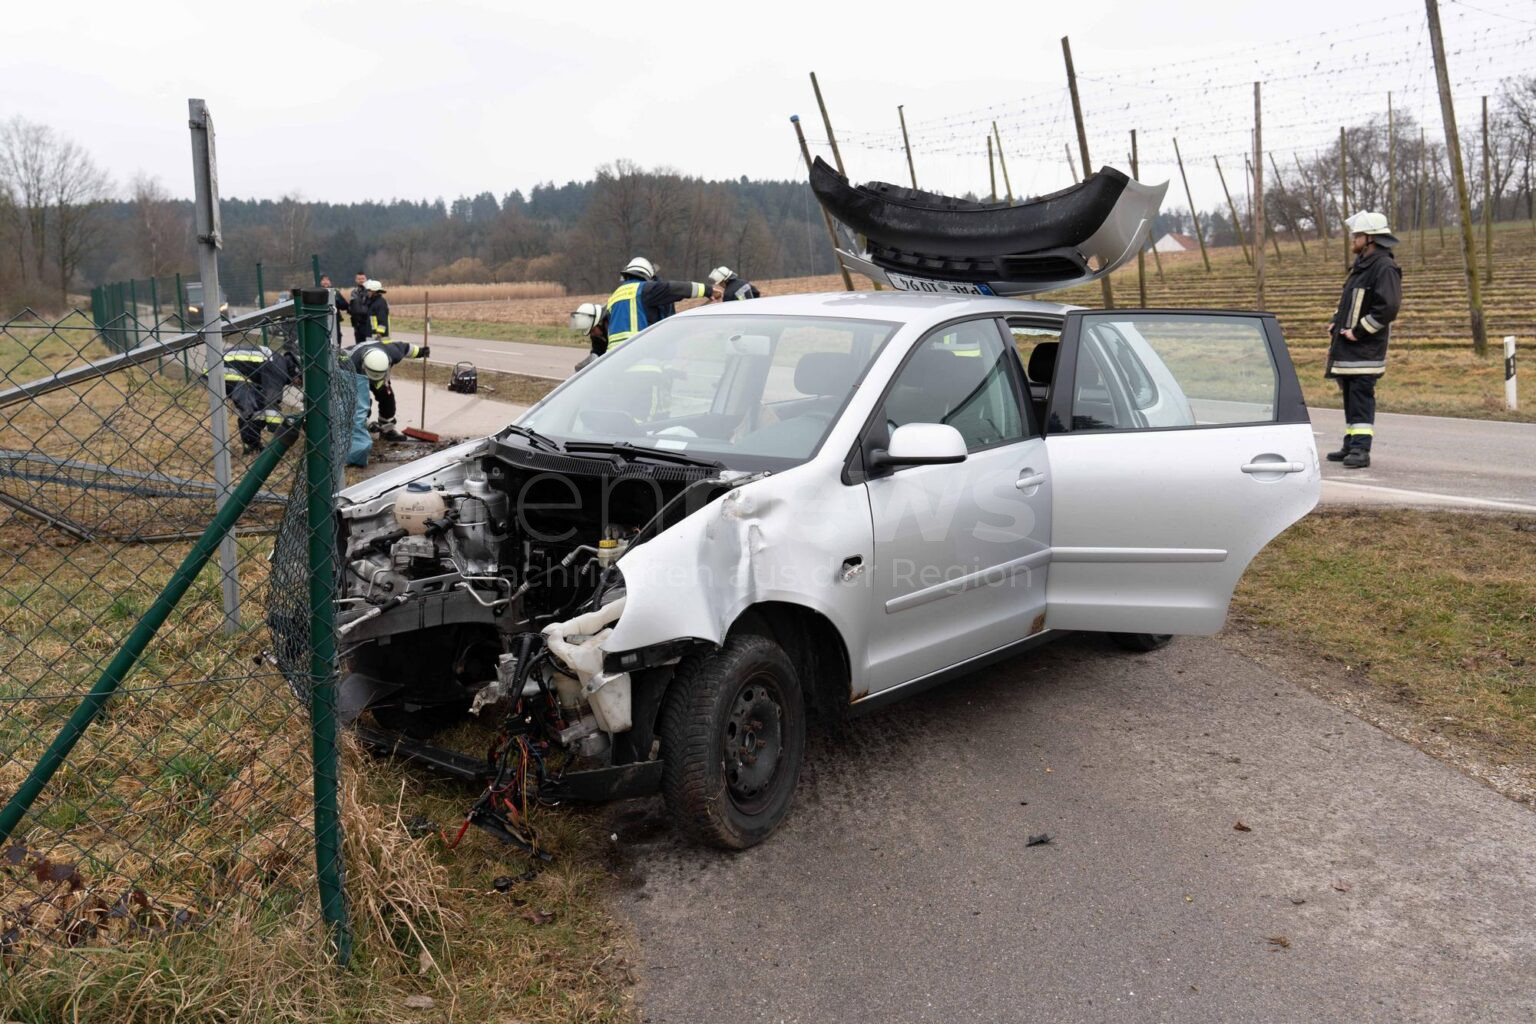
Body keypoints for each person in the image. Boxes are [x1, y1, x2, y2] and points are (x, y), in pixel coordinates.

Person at [1325, 211, 1402, 470]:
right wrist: (1338, 320)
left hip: (1364, 349)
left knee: (1361, 398)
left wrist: (1359, 331)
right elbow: (1351, 302)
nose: (1353, 239)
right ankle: (1351, 442)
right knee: (1350, 397)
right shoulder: (1362, 266)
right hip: (1349, 348)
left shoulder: (1384, 267)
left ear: (1369, 238)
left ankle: (1361, 450)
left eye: (1357, 235)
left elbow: (1388, 307)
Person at [596, 256, 708, 354]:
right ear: (647, 276)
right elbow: (675, 289)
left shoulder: (614, 296)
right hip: (638, 354)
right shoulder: (645, 289)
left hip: (613, 357)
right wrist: (708, 290)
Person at [347, 336, 429, 451]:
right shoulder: (349, 362)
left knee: (387, 398)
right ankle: (361, 433)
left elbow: (406, 348)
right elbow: (355, 404)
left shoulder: (392, 352)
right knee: (362, 403)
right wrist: (367, 424)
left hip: (381, 378)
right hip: (358, 378)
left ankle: (387, 429)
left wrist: (420, 351)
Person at [221, 334, 298, 454]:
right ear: (297, 371)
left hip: (224, 365)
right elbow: (271, 402)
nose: (299, 385)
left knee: (253, 408)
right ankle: (255, 447)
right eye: (301, 380)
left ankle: (251, 445)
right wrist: (281, 434)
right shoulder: (279, 370)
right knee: (255, 408)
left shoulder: (278, 361)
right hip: (224, 368)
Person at [346, 271, 371, 346]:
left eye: (363, 278)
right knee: (359, 345)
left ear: (366, 279)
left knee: (368, 344)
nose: (361, 280)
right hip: (357, 324)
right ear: (356, 280)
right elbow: (351, 306)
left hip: (367, 322)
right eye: (359, 279)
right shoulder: (354, 292)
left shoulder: (370, 291)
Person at [320, 274, 345, 345]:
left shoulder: (336, 292)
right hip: (321, 320)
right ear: (320, 282)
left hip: (335, 320)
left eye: (327, 280)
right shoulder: (317, 292)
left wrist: (336, 300)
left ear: (330, 282)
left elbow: (344, 306)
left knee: (336, 338)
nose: (325, 282)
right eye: (323, 280)